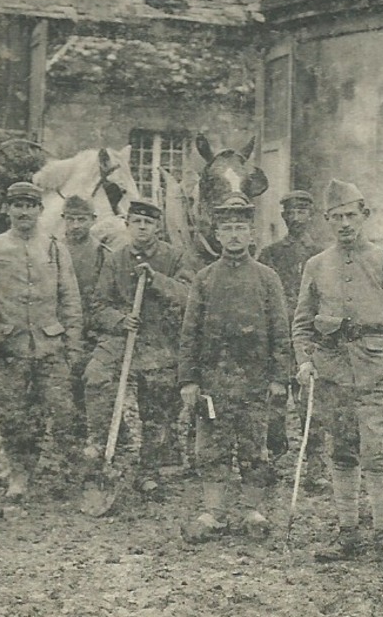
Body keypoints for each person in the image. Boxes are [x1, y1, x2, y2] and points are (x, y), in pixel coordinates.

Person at [292, 179, 383, 562]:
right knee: (343, 454)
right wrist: (305, 361)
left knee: (378, 455)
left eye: (351, 215)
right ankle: (347, 533)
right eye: (336, 217)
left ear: (364, 215)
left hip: (381, 375)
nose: (344, 224)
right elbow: (301, 323)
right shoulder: (316, 266)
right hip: (334, 376)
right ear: (327, 221)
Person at [178, 194, 292, 542]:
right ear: (216, 233)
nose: (234, 235)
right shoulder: (205, 278)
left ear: (252, 232)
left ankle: (252, 510)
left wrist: (278, 377)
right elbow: (190, 332)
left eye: (240, 227)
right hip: (214, 379)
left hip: (255, 380)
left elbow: (280, 331)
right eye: (226, 227)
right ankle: (214, 512)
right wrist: (189, 379)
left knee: (255, 446)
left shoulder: (267, 278)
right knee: (211, 446)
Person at [84, 198, 198, 482]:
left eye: (148, 222)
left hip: (159, 338)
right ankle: (108, 445)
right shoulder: (115, 259)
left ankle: (150, 467)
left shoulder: (174, 257)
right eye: (137, 222)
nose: (142, 227)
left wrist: (156, 279)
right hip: (123, 335)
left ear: (158, 227)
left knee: (159, 397)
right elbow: (98, 306)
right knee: (95, 376)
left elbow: (188, 296)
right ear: (127, 225)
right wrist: (121, 320)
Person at [0, 181, 84, 505]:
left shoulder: (55, 248)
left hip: (50, 346)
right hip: (9, 346)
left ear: (41, 210)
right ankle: (20, 475)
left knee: (63, 412)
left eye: (30, 205)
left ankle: (70, 475)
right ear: (8, 210)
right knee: (14, 415)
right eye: (18, 205)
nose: (24, 211)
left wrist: (73, 346)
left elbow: (69, 298)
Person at [257, 189, 321, 459]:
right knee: (276, 398)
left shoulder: (321, 255)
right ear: (283, 216)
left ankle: (315, 460)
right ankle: (275, 454)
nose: (296, 218)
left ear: (311, 215)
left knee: (311, 401)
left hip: (310, 336)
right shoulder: (270, 255)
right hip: (278, 336)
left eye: (302, 211)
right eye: (291, 212)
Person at [60, 192, 109, 445]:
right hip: (60, 332)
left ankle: (94, 441)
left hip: (91, 332)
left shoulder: (102, 253)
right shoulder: (53, 249)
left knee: (90, 387)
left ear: (93, 220)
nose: (76, 225)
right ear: (63, 220)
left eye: (82, 219)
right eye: (71, 219)